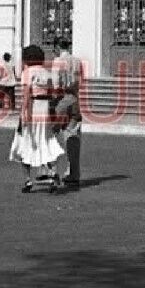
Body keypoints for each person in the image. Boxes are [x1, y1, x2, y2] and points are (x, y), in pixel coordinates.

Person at [9, 44, 66, 193]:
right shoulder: (46, 73)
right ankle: (53, 174)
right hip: (45, 109)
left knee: (24, 143)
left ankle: (28, 180)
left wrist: (24, 115)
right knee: (46, 141)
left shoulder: (27, 72)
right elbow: (52, 94)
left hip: (33, 108)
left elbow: (27, 94)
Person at [51, 57, 83, 189]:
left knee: (54, 138)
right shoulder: (76, 61)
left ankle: (52, 173)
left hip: (64, 99)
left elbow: (56, 82)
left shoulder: (58, 61)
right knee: (73, 140)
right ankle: (73, 173)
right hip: (73, 98)